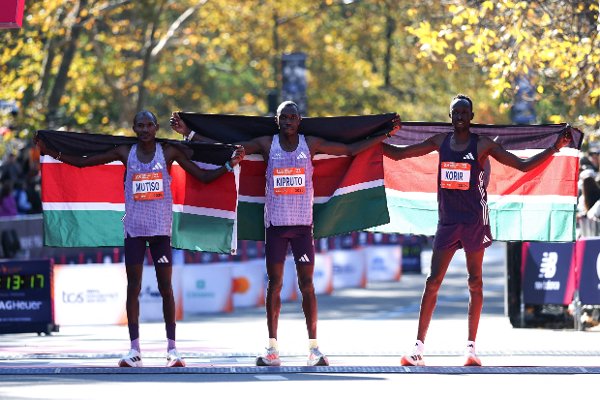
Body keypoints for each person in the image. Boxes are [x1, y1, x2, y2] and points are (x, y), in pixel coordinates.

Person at [170, 101, 399, 366]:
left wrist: (384, 134)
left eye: (292, 117)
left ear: (299, 120)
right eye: (284, 117)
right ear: (277, 121)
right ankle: (272, 349)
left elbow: (349, 149)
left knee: (307, 285)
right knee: (275, 284)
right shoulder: (268, 144)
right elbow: (227, 149)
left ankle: (314, 349)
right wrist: (189, 134)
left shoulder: (310, 144)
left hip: (302, 227)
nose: (288, 121)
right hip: (276, 227)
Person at [37, 110, 245, 368]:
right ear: (134, 128)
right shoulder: (126, 152)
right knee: (133, 288)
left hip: (160, 232)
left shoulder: (168, 152)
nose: (145, 129)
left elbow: (201, 176)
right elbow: (85, 161)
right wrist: (53, 153)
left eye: (149, 125)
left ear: (156, 128)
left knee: (165, 288)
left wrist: (228, 165)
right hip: (134, 231)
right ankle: (134, 350)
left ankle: (173, 350)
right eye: (140, 125)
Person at [383, 94, 571, 367]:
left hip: (474, 221)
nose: (459, 117)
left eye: (464, 112)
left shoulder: (482, 145)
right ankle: (417, 349)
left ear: (471, 117)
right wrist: (376, 141)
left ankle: (471, 349)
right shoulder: (440, 141)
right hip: (447, 222)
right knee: (432, 281)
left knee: (475, 282)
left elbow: (522, 166)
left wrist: (555, 147)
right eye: (455, 112)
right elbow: (400, 154)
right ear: (450, 117)